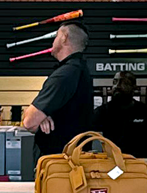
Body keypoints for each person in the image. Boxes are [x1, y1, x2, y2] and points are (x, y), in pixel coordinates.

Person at [21, 22, 96, 155]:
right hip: (70, 160)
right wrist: (44, 115)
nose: (53, 41)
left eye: (56, 36)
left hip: (60, 165)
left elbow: (29, 122)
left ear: (64, 38)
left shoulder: (65, 74)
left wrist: (40, 116)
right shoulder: (79, 70)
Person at [92, 71, 147, 159]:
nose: (117, 86)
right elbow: (92, 144)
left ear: (134, 88)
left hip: (138, 165)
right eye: (115, 82)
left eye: (124, 83)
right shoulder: (101, 113)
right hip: (108, 164)